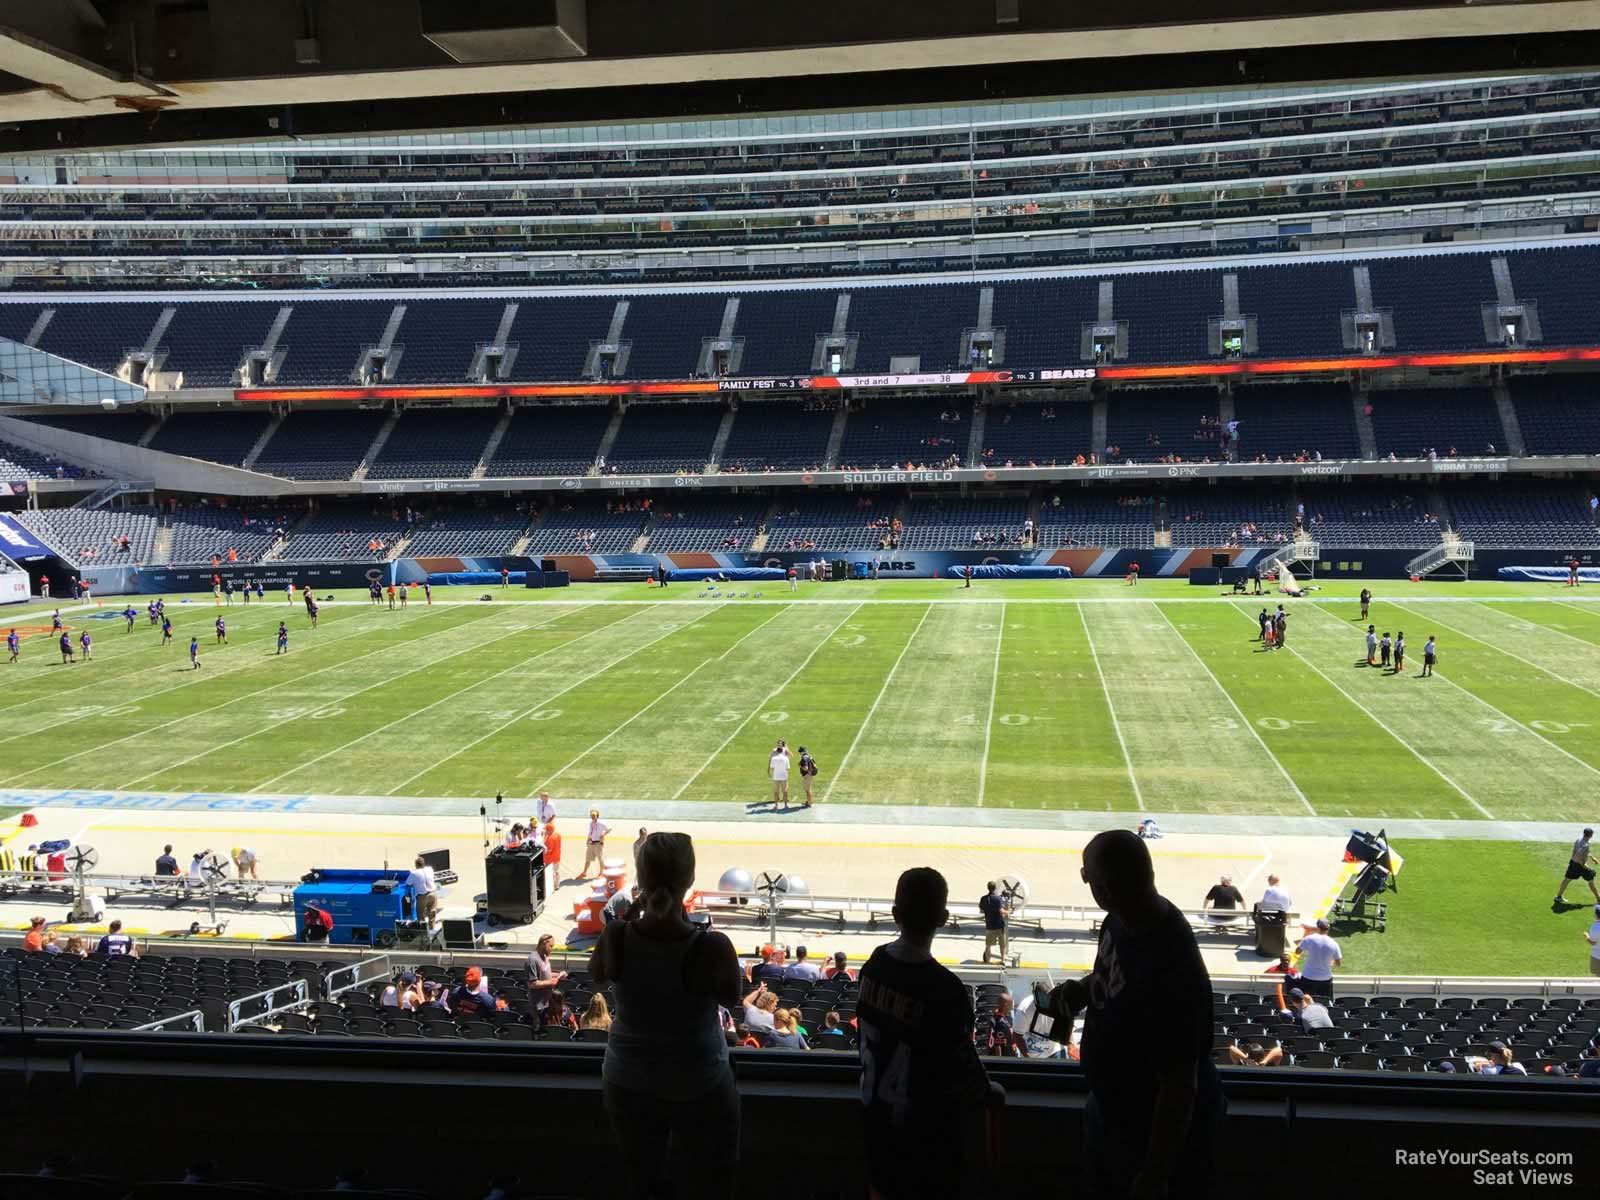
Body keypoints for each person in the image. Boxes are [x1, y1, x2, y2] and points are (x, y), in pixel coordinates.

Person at [1034, 831, 1222, 1200]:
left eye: (1086, 876)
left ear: (1104, 889)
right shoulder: (1124, 920)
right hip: (1115, 1109)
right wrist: (1082, 991)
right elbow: (1115, 977)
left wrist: (1153, 1175)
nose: (1085, 883)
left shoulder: (1169, 963)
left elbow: (1179, 1085)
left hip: (1143, 1134)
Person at [589, 832, 744, 1200]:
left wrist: (628, 916)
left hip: (627, 1078)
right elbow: (732, 998)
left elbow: (597, 974)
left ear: (640, 880)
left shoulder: (617, 936)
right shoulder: (711, 945)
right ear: (689, 880)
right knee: (713, 1184)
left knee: (642, 1183)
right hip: (699, 1078)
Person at [858, 867, 1001, 1200]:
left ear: (895, 915)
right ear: (943, 917)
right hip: (926, 1138)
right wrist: (989, 1093)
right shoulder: (945, 989)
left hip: (876, 1126)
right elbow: (966, 1067)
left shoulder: (874, 965)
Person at [526, 932, 568, 1024]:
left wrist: (558, 975)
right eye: (551, 946)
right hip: (538, 1005)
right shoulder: (532, 960)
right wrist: (550, 982)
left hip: (547, 1002)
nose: (552, 949)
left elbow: (546, 974)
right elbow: (532, 983)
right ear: (544, 943)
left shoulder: (544, 957)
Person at [1297, 918, 1342, 999]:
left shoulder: (1309, 938)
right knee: (1324, 1003)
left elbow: (1298, 951)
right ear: (1328, 928)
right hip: (1325, 979)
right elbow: (1338, 963)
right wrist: (1330, 963)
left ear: (1317, 927)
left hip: (1308, 977)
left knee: (1306, 1003)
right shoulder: (1334, 943)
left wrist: (1306, 935)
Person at [1557, 828, 1600, 905]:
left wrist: (1592, 858)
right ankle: (1599, 899)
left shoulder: (1579, 839)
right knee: (1591, 880)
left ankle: (1558, 897)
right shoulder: (1585, 845)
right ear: (1591, 835)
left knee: (1567, 879)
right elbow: (1578, 855)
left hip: (1573, 863)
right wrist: (1585, 866)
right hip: (1580, 865)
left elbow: (1579, 852)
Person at [980, 879, 1009, 964]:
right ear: (995, 888)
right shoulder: (997, 898)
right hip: (999, 925)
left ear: (988, 888)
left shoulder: (983, 899)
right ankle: (1003, 960)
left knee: (988, 945)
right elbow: (1002, 911)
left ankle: (987, 962)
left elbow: (981, 910)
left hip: (989, 925)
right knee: (1002, 945)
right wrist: (1009, 911)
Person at [406, 855, 439, 925]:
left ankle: (423, 932)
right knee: (432, 914)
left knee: (420, 916)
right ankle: (432, 930)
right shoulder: (430, 869)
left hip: (423, 896)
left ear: (416, 865)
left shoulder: (414, 873)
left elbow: (408, 883)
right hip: (433, 894)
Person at [581, 808, 610, 879]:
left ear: (597, 816)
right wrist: (588, 839)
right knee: (588, 858)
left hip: (598, 843)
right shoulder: (591, 823)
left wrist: (603, 835)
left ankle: (602, 873)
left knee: (600, 858)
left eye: (594, 815)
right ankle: (584, 873)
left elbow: (609, 829)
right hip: (591, 843)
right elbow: (590, 832)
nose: (592, 817)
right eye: (591, 815)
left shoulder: (601, 823)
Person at [768, 741, 791, 809]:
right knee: (785, 791)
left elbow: (772, 768)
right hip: (784, 776)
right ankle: (786, 805)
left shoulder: (774, 758)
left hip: (776, 777)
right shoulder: (786, 758)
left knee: (776, 792)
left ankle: (776, 805)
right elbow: (787, 768)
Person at [1584, 904, 1600, 977]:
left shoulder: (1595, 928)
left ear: (1596, 915)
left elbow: (1593, 942)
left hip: (1597, 956)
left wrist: (1587, 936)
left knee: (1598, 975)